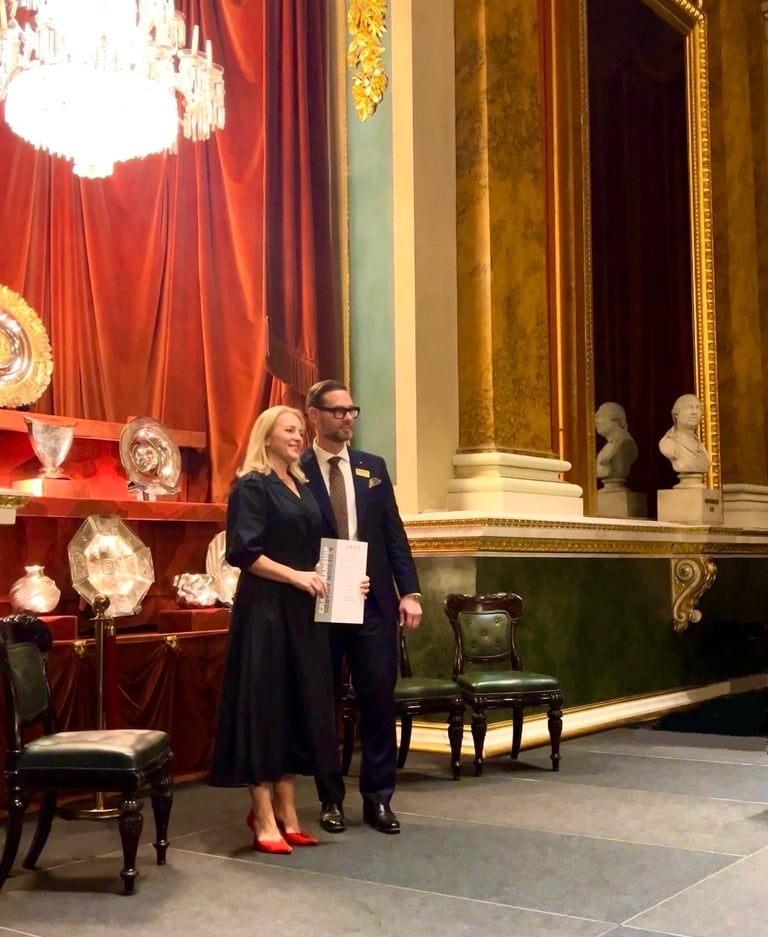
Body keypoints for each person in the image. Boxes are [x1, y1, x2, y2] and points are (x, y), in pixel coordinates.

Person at [210, 405, 368, 855]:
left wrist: (343, 579)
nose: (299, 436)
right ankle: (262, 816)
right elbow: (244, 553)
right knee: (265, 708)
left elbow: (313, 552)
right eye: (289, 430)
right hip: (265, 609)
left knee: (298, 706)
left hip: (303, 612)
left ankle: (289, 812)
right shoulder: (251, 486)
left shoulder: (301, 486)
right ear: (267, 435)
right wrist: (297, 577)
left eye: (301, 429)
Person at [300, 379, 423, 835]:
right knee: (322, 703)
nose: (347, 418)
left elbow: (393, 533)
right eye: (337, 411)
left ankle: (378, 800)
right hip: (318, 601)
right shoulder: (297, 467)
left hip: (373, 604)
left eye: (353, 410)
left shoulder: (373, 467)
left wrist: (408, 591)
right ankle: (330, 798)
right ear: (313, 414)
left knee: (377, 700)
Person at [658, 393, 710, 475]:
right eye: (689, 408)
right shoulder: (668, 443)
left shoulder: (700, 445)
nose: (694, 412)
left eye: (698, 408)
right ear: (676, 414)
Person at [594, 401, 638, 486]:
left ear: (614, 417)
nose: (596, 422)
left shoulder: (626, 445)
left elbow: (618, 469)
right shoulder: (608, 446)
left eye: (599, 417)